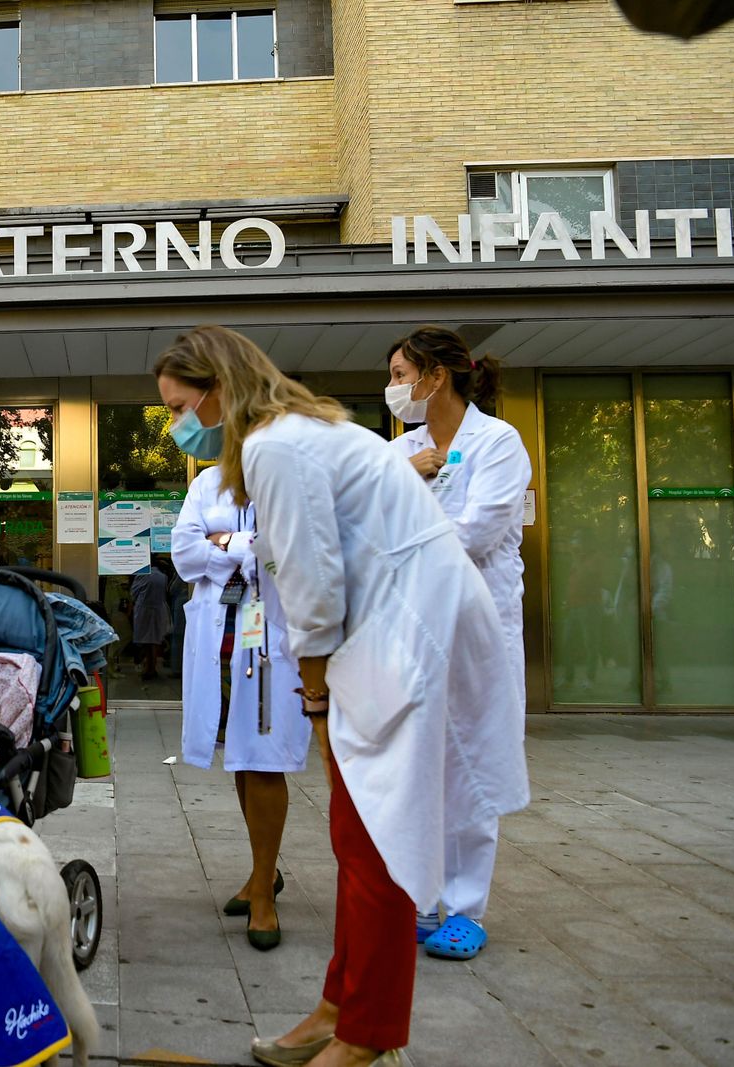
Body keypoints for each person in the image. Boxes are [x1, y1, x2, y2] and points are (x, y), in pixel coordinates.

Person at [152, 326, 527, 1067]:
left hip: (403, 637)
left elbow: (313, 584)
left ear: (218, 389)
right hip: (393, 628)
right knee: (357, 837)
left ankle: (368, 1032)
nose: (176, 425)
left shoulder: (274, 446)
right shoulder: (299, 431)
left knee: (377, 840)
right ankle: (339, 1004)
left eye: (179, 406)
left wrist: (315, 693)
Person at [386, 325, 531, 960]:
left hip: (478, 629)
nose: (393, 389)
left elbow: (473, 535)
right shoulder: (404, 449)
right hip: (415, 627)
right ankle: (421, 896)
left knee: (471, 763)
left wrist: (405, 508)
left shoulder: (498, 443)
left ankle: (467, 908)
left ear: (435, 376)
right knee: (419, 765)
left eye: (398, 375)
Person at [169, 467, 307, 952]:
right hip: (222, 638)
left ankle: (264, 892)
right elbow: (183, 552)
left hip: (271, 634)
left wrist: (226, 541)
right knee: (242, 758)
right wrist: (244, 547)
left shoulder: (292, 474)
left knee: (266, 759)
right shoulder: (208, 481)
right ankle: (260, 871)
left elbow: (291, 551)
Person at [129, 560, 173, 681]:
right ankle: (151, 667)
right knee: (154, 640)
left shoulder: (142, 575)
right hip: (159, 610)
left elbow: (133, 593)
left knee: (145, 640)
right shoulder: (163, 577)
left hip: (144, 610)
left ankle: (148, 667)